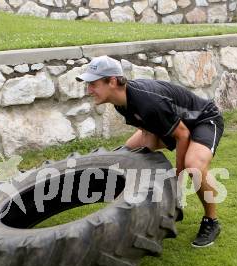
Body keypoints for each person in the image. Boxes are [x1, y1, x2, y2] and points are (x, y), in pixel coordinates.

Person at [76, 55, 224, 248]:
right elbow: (148, 130)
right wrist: (141, 159)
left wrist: (177, 182)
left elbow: (183, 135)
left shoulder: (148, 102)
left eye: (93, 84)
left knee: (193, 166)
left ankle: (211, 221)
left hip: (202, 120)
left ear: (112, 81)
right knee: (125, 154)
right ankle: (140, 206)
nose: (89, 90)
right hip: (173, 123)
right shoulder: (121, 103)